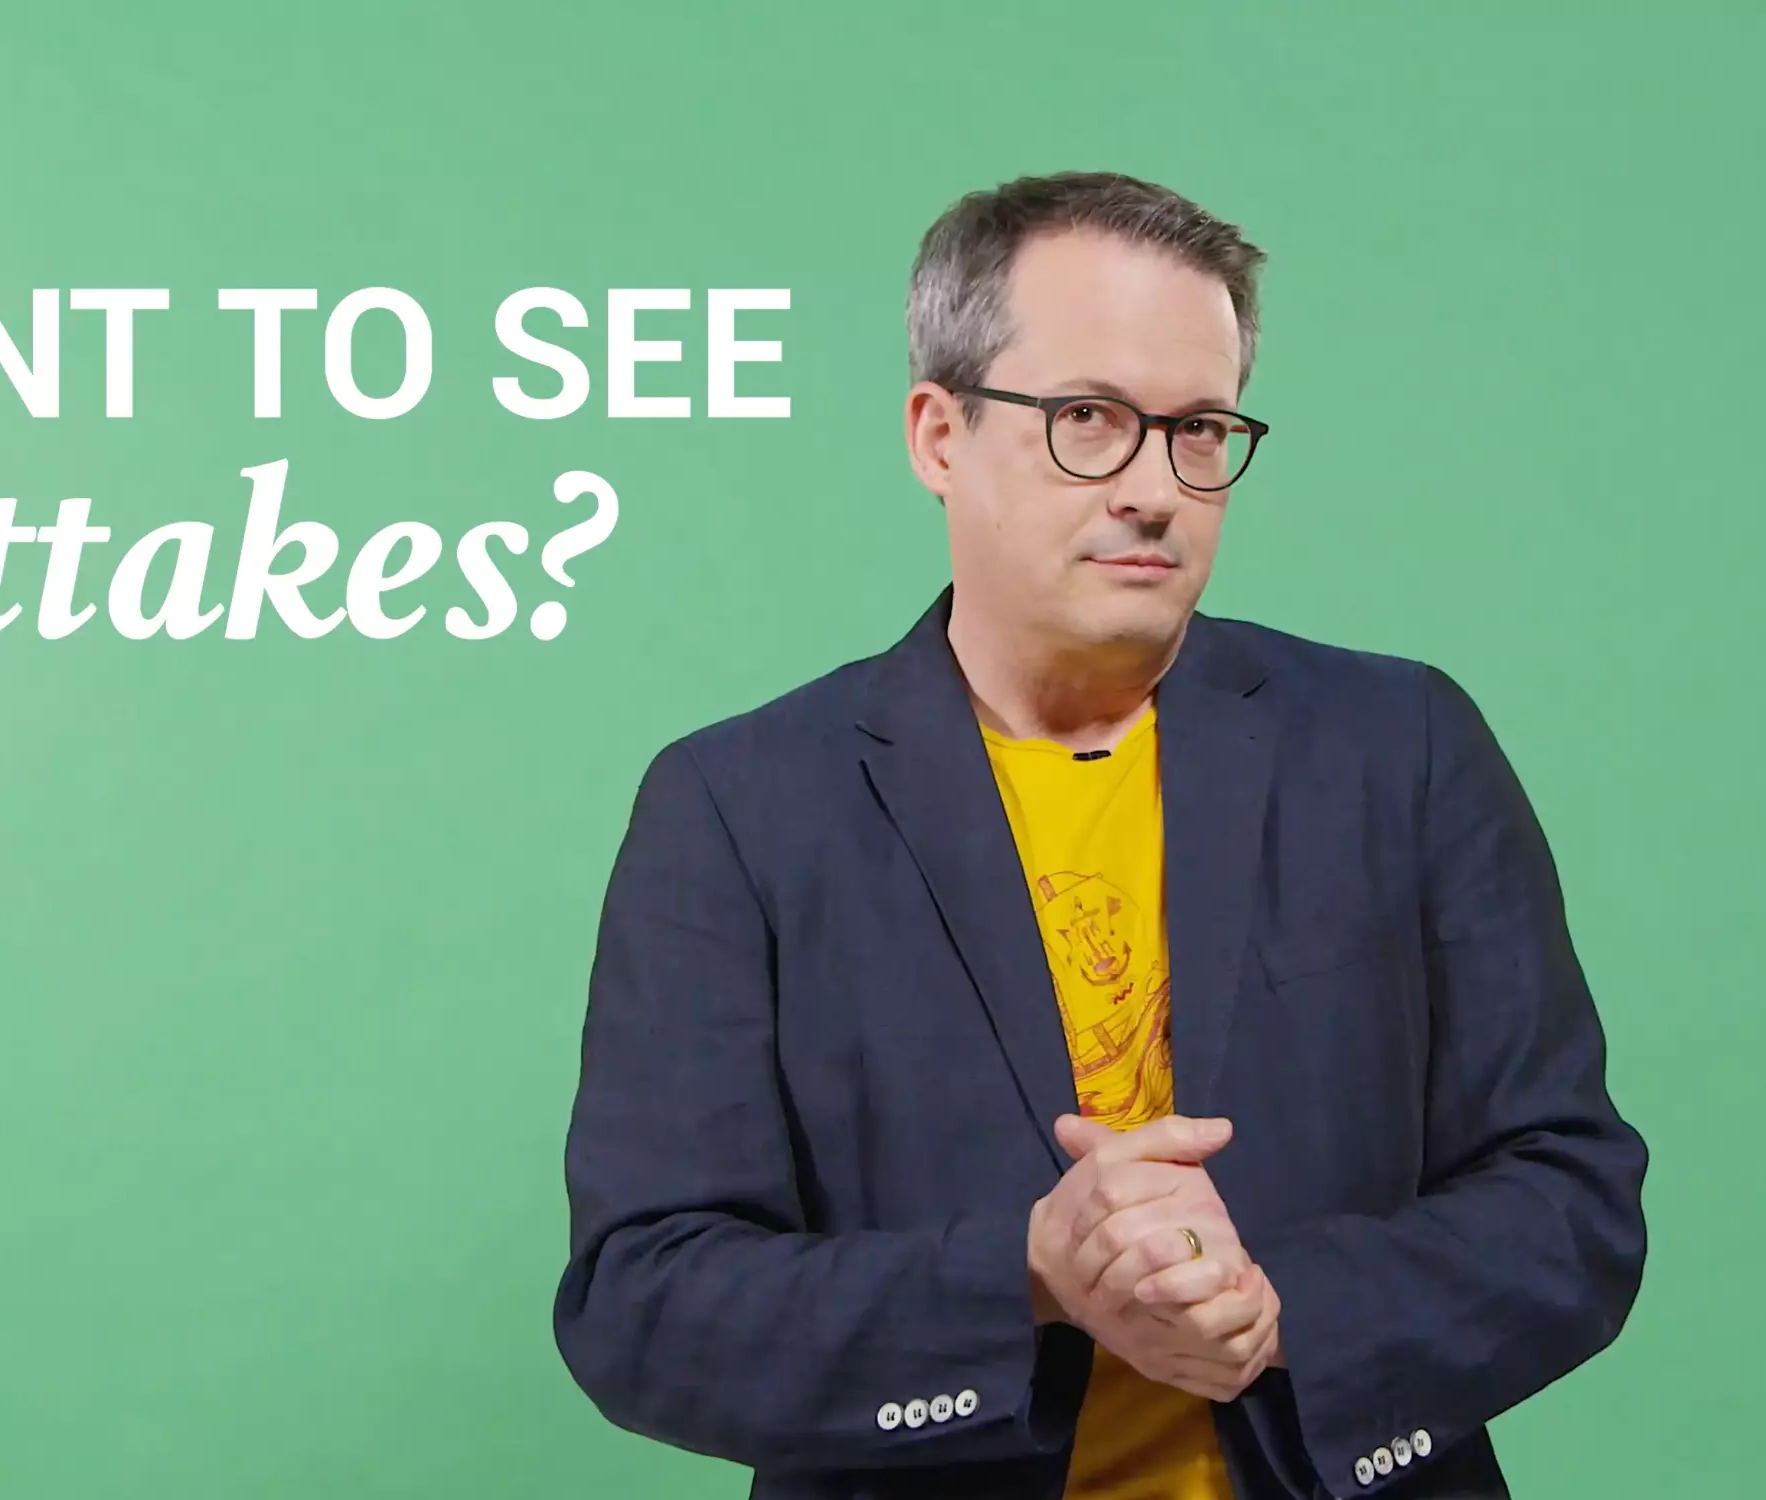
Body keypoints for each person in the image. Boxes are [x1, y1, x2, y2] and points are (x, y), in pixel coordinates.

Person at [550, 170, 1648, 1500]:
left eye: (1197, 431)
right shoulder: (737, 806)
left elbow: (1568, 1203)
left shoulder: (1398, 747)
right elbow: (644, 1303)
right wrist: (1026, 1273)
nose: (1153, 488)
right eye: (1088, 420)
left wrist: (1279, 1304)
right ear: (937, 434)